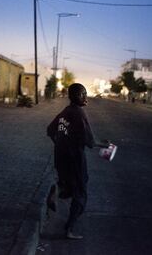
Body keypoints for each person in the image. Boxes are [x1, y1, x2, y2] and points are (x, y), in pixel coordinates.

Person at [46, 83, 109, 239]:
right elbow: (90, 141)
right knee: (80, 193)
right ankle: (69, 230)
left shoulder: (64, 112)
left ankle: (55, 193)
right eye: (82, 94)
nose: (85, 97)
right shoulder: (79, 114)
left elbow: (50, 130)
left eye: (85, 94)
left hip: (60, 157)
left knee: (67, 186)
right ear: (75, 96)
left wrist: (60, 143)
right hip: (75, 159)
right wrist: (105, 144)